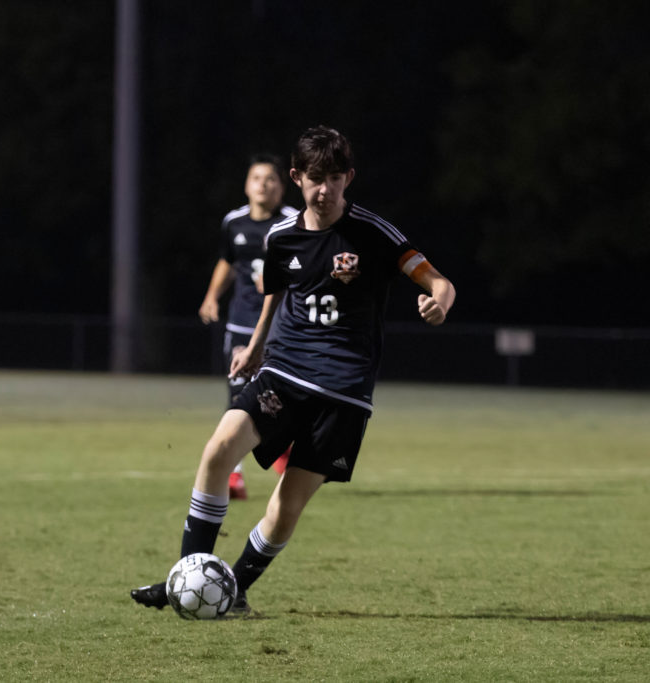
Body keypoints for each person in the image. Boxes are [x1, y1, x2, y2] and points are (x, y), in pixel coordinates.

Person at [131, 126, 456, 614]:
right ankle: (187, 579)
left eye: (334, 179)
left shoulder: (374, 233)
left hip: (344, 392)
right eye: (315, 178)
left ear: (349, 178)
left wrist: (439, 303)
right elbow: (276, 293)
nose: (324, 190)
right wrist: (255, 346)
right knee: (218, 451)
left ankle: (235, 591)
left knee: (285, 508)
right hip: (285, 371)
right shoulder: (281, 237)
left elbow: (439, 281)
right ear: (297, 177)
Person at [198, 155, 298, 499]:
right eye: (257, 178)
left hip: (282, 325)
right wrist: (212, 296)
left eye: (270, 179)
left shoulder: (294, 222)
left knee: (283, 394)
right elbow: (227, 261)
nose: (263, 184)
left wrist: (281, 280)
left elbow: (307, 266)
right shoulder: (234, 222)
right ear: (246, 185)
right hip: (242, 323)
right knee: (238, 395)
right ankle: (233, 475)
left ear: (282, 187)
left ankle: (280, 445)